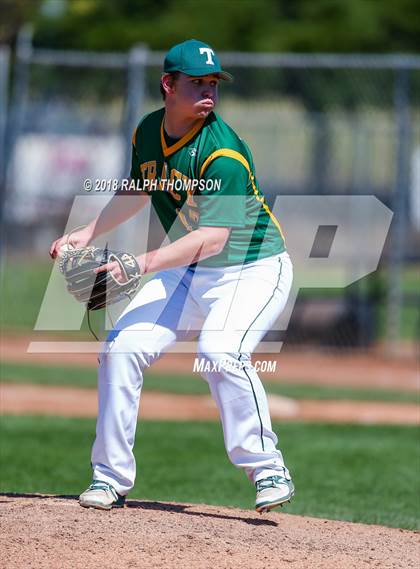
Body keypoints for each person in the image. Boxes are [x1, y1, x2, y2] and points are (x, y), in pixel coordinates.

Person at [50, 39, 294, 513]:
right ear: (168, 85)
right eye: (196, 83)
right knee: (121, 348)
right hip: (187, 269)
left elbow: (214, 238)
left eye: (213, 83)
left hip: (252, 270)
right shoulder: (147, 130)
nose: (208, 91)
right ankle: (109, 479)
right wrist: (86, 232)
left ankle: (268, 469)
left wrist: (138, 264)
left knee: (221, 351)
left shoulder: (222, 152)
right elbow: (139, 188)